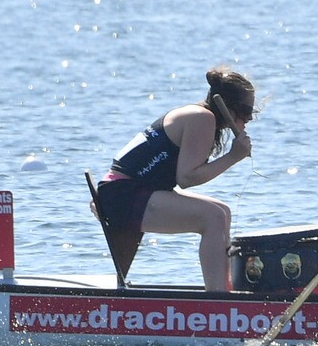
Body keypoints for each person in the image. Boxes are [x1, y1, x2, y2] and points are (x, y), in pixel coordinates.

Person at [93, 66, 254, 291]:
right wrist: (233, 157)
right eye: (246, 112)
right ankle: (220, 301)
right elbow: (187, 177)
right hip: (121, 194)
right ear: (228, 106)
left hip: (125, 191)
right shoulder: (202, 117)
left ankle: (223, 289)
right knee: (213, 217)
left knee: (223, 211)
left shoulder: (201, 117)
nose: (248, 121)